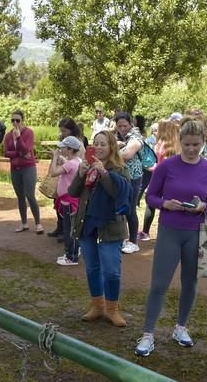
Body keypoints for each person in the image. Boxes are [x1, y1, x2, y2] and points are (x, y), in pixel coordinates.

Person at [134, 117, 207, 357]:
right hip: (169, 231)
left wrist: (204, 207)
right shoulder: (167, 166)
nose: (192, 149)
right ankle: (148, 334)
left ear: (203, 142)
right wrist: (166, 204)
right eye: (187, 144)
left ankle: (180, 328)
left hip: (196, 233)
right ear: (180, 142)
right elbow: (150, 197)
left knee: (190, 282)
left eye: (196, 144)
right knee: (159, 284)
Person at [69, 130, 132, 327]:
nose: (98, 147)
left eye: (103, 144)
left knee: (112, 271)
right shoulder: (87, 166)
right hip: (87, 223)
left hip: (110, 226)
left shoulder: (120, 169)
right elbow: (72, 192)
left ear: (112, 146)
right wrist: (80, 175)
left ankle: (112, 309)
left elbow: (118, 193)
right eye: (96, 143)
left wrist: (104, 173)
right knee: (92, 268)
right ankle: (97, 305)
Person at [3, 109, 44, 234]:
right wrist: (18, 154)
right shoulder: (8, 135)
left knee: (30, 195)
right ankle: (24, 223)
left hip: (28, 168)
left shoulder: (28, 133)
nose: (15, 123)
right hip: (15, 169)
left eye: (17, 120)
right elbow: (5, 152)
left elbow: (27, 150)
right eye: (13, 120)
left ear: (22, 120)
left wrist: (19, 138)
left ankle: (38, 224)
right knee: (20, 196)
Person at [138, 120, 179, 241]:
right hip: (172, 179)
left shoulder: (161, 144)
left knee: (152, 203)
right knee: (169, 204)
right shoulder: (178, 145)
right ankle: (170, 231)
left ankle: (146, 232)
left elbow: (159, 162)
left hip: (159, 177)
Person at [49, 136, 83, 266]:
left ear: (69, 149)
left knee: (69, 229)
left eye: (63, 148)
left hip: (68, 201)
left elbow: (53, 172)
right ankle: (73, 251)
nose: (61, 149)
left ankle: (71, 256)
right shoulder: (77, 161)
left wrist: (55, 158)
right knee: (72, 228)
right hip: (72, 200)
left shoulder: (70, 164)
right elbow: (68, 165)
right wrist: (59, 157)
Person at [114, 112, 143, 254]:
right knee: (122, 208)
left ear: (130, 124)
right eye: (119, 126)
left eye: (125, 125)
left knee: (131, 210)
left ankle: (133, 241)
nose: (122, 128)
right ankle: (123, 239)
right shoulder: (118, 137)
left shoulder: (136, 137)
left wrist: (111, 151)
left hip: (134, 177)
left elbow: (127, 154)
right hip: (121, 177)